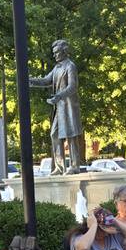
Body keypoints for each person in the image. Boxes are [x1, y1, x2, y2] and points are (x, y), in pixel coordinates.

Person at [30, 39, 83, 174]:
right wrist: (30, 80)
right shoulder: (57, 68)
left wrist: (58, 96)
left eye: (57, 52)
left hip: (69, 106)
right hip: (59, 108)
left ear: (64, 51)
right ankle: (59, 167)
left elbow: (72, 86)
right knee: (54, 134)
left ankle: (75, 166)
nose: (54, 55)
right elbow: (46, 80)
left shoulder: (70, 66)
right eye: (54, 53)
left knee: (71, 136)